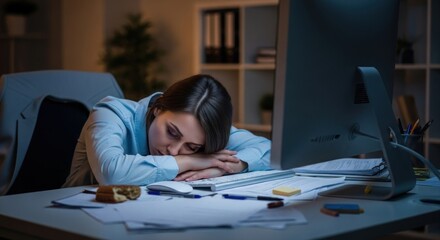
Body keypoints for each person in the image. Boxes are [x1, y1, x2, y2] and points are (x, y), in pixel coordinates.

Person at [63, 74, 271, 187]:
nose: (174, 151)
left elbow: (269, 150)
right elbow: (111, 172)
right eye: (172, 132)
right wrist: (192, 160)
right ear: (158, 109)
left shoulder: (198, 129)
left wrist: (226, 167)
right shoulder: (110, 112)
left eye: (192, 147)